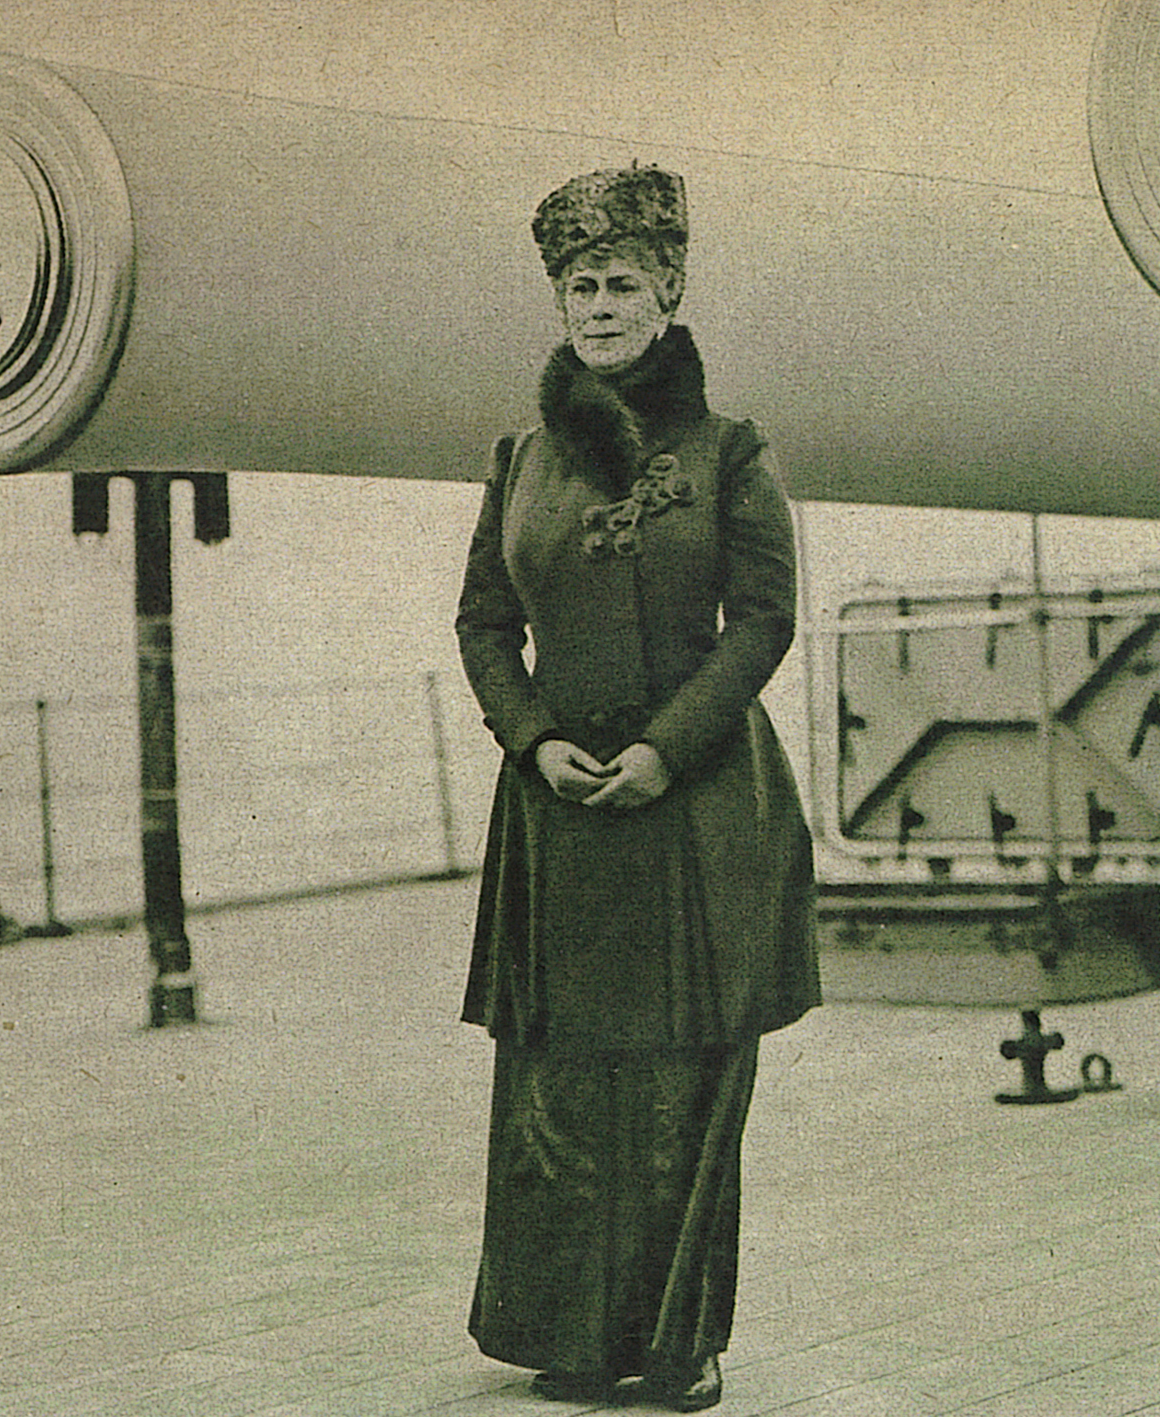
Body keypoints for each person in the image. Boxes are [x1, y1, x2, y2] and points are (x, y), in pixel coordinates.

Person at [454, 164, 819, 1412]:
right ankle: (567, 1333)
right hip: (558, 808)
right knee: (560, 1080)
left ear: (667, 293)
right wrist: (531, 738)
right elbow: (484, 623)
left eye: (619, 282)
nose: (597, 304)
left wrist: (666, 745)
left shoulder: (727, 450)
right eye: (577, 285)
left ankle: (678, 1345)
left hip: (697, 803)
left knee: (681, 1079)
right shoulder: (516, 457)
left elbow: (763, 619)